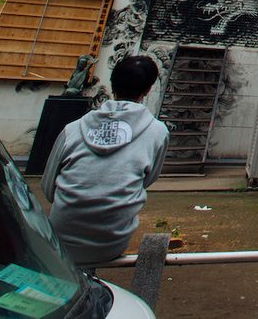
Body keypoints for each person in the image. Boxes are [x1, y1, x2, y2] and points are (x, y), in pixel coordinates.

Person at [41, 55, 171, 266]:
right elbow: (148, 179)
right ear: (148, 90)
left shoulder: (72, 129)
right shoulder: (157, 132)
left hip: (59, 239)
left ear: (112, 84)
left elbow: (48, 189)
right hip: (112, 242)